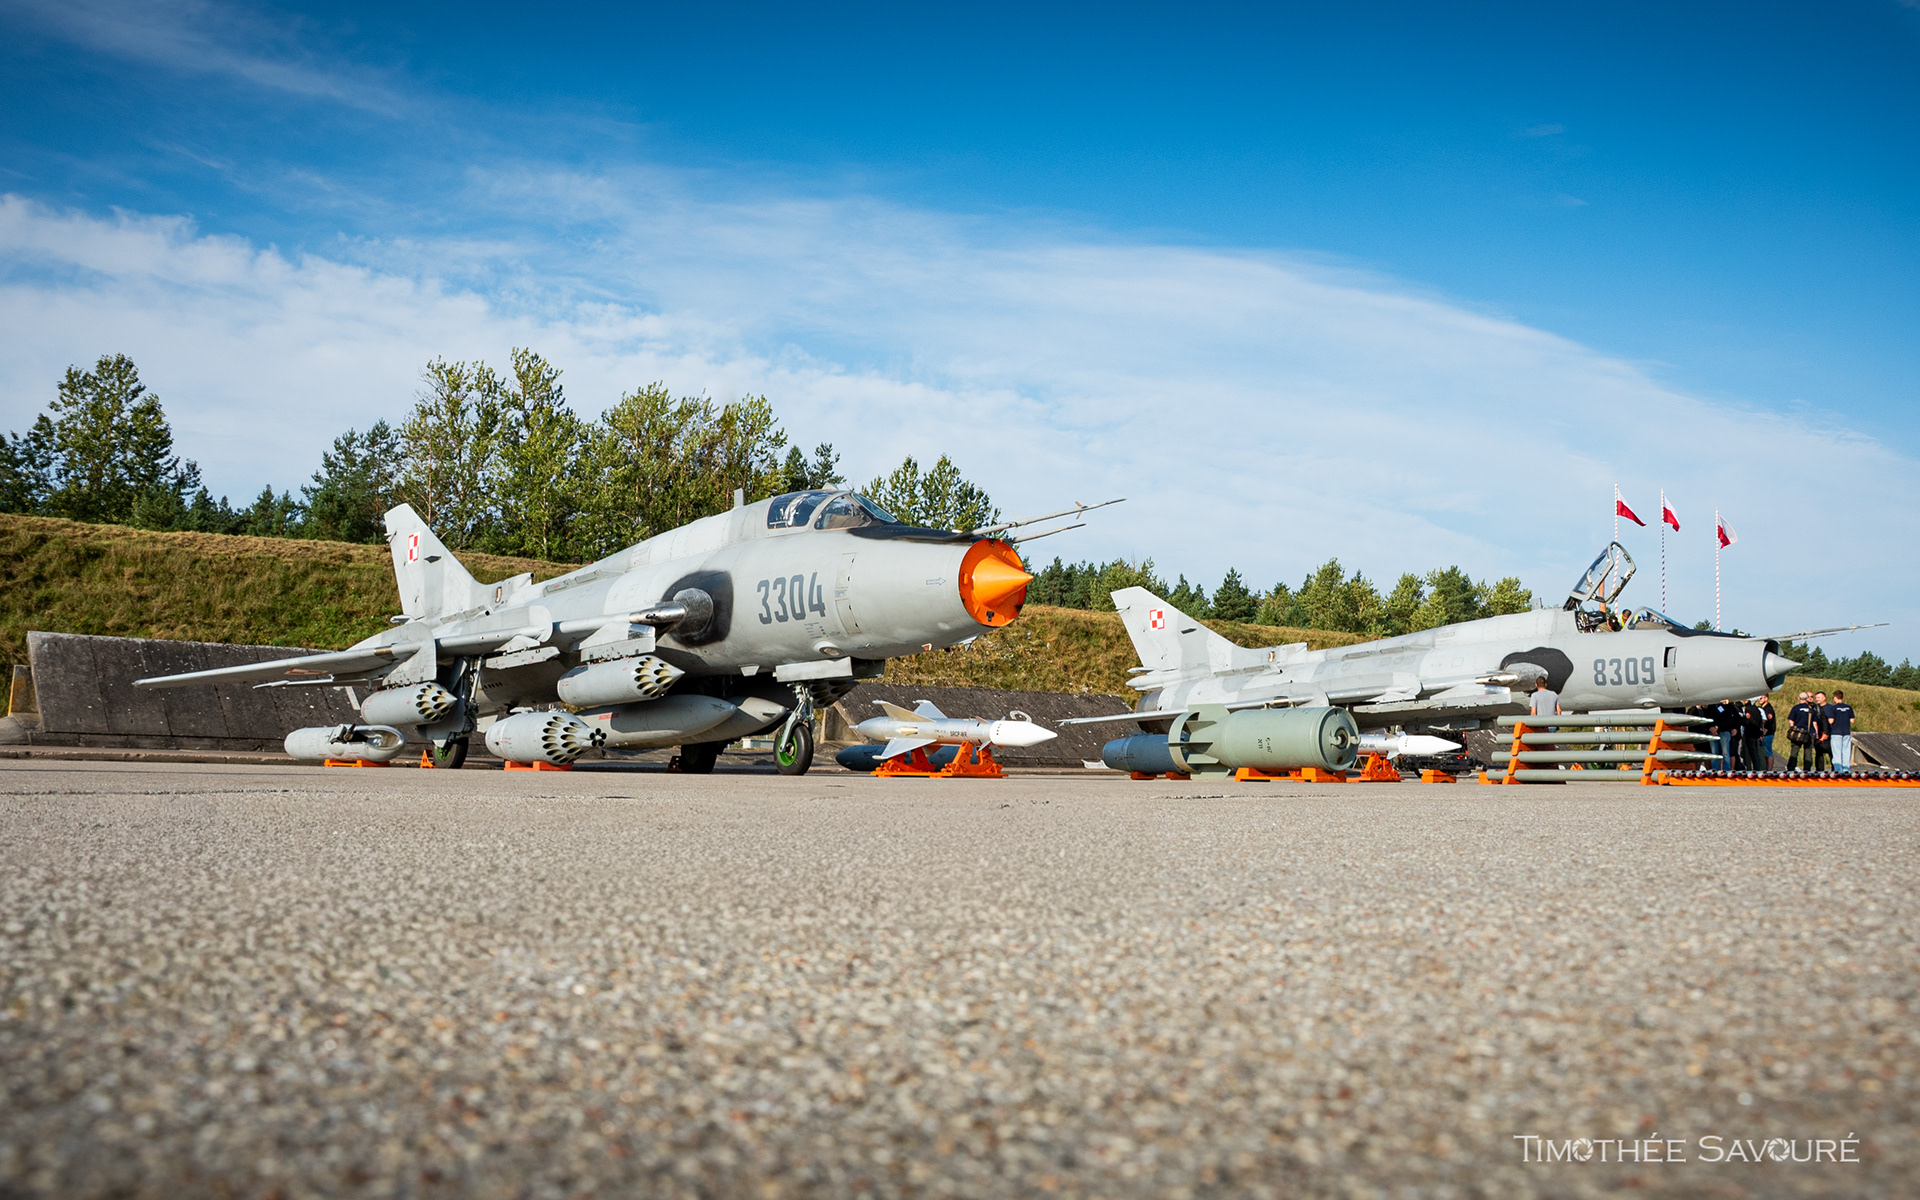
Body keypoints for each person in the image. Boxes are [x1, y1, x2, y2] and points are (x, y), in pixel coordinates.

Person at [1827, 689, 1856, 773]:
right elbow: (1852, 721)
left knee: (1837, 753)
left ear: (1835, 697)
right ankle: (1846, 769)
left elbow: (1831, 721)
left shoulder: (1833, 708)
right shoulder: (1849, 707)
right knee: (1846, 752)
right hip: (1846, 732)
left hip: (1836, 732)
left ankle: (1838, 770)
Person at [1785, 692, 1814, 772]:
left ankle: (1791, 768)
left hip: (1797, 733)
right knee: (1808, 751)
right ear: (1807, 699)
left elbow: (1791, 721)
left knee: (1794, 751)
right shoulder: (1811, 710)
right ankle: (1807, 769)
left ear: (1799, 698)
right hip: (1808, 733)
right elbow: (1814, 722)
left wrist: (1792, 728)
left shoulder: (1795, 708)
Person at [1809, 692, 1833, 772]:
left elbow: (1826, 721)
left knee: (1831, 753)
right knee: (1818, 753)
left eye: (1819, 697)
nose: (1817, 699)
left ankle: (1834, 769)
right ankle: (1819, 770)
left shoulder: (1830, 708)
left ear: (1824, 698)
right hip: (1818, 733)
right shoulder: (1816, 708)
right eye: (1816, 697)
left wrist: (1826, 733)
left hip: (1829, 733)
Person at [1755, 695, 1777, 772]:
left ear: (1766, 698)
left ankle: (1769, 770)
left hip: (1768, 733)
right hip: (1765, 733)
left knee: (1768, 752)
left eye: (1761, 698)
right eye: (1758, 698)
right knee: (1765, 752)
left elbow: (1768, 722)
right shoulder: (1763, 708)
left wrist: (1763, 734)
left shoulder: (1768, 709)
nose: (1759, 700)